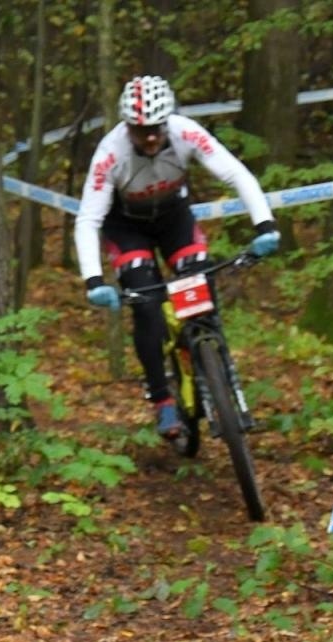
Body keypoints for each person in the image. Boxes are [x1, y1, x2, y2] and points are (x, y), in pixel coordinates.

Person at [74, 74, 280, 438]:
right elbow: (88, 219)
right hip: (127, 228)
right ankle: (162, 401)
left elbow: (237, 174)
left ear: (168, 120)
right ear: (127, 126)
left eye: (156, 128)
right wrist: (93, 280)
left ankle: (212, 362)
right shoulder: (110, 154)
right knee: (147, 306)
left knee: (198, 290)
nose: (151, 137)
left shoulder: (186, 132)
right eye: (141, 130)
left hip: (174, 219)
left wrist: (264, 225)